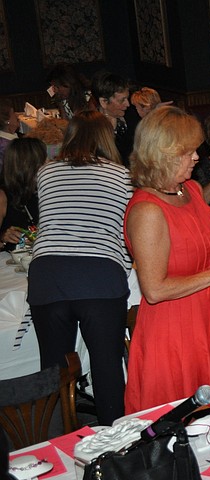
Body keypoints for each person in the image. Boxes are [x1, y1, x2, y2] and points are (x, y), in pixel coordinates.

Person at [124, 106, 210, 413]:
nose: (197, 157)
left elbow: (198, 252)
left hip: (209, 318)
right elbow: (154, 290)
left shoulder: (191, 190)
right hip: (173, 332)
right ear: (162, 155)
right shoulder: (148, 211)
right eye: (188, 152)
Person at [27, 110, 131, 425]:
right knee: (107, 367)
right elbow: (124, 230)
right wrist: (122, 266)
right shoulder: (120, 176)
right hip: (99, 274)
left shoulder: (46, 172)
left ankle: (56, 441)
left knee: (55, 371)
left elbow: (50, 222)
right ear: (105, 138)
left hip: (48, 274)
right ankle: (116, 443)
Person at [0, 138, 46, 252]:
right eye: (43, 159)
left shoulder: (41, 189)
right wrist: (3, 237)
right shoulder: (2, 196)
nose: (48, 162)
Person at [91, 70, 133, 165]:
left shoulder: (131, 116)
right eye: (122, 100)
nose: (128, 104)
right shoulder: (91, 128)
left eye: (127, 98)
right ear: (104, 102)